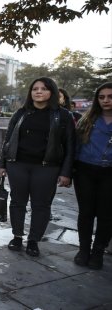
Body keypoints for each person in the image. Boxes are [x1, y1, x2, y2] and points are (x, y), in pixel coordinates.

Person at [0, 77, 75, 257]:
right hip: (18, 165)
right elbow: (8, 140)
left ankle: (34, 240)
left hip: (47, 167)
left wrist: (66, 172)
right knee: (18, 202)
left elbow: (71, 146)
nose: (38, 92)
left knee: (41, 205)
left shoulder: (63, 115)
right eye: (35, 89)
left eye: (43, 89)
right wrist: (2, 164)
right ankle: (17, 236)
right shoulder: (21, 113)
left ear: (52, 92)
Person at [72, 82, 112, 270]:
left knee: (106, 214)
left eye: (110, 97)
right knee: (86, 212)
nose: (106, 100)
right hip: (85, 170)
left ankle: (98, 252)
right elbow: (76, 146)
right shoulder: (88, 120)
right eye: (102, 97)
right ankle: (84, 250)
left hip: (109, 173)